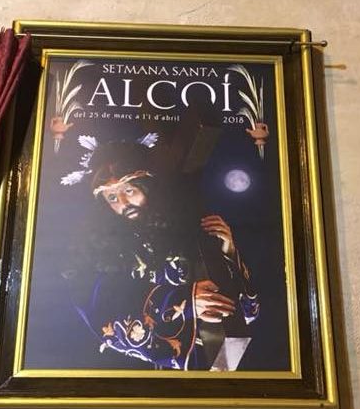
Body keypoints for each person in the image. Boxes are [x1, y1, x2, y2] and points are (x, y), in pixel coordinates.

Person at [60, 136, 259, 370]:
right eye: (112, 197)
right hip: (151, 369)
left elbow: (247, 313)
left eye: (129, 190)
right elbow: (99, 304)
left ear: (148, 187)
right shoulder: (104, 253)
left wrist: (228, 251)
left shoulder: (186, 233)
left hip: (214, 360)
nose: (123, 202)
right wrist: (182, 301)